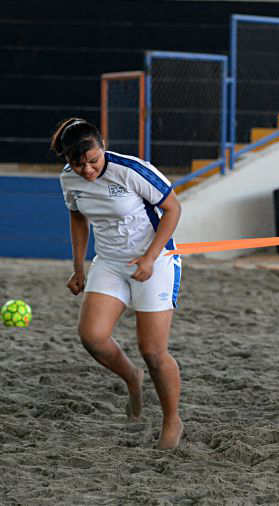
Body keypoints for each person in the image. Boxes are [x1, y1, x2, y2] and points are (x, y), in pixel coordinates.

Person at [52, 118, 184, 449]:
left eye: (93, 161)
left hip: (155, 262)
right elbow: (77, 217)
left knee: (152, 351)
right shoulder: (69, 180)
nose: (87, 170)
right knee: (92, 337)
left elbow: (172, 209)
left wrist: (151, 257)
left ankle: (172, 420)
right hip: (110, 262)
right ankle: (132, 379)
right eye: (78, 164)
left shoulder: (131, 170)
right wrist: (78, 268)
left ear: (102, 147)